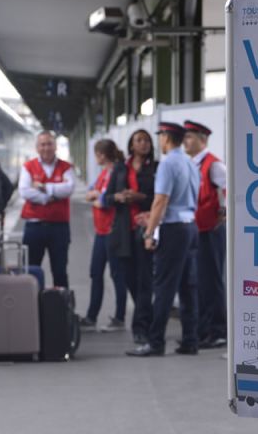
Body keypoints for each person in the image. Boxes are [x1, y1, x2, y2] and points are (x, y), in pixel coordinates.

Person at [126, 122, 200, 357]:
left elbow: (160, 201)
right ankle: (190, 340)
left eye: (160, 137)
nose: (158, 141)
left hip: (173, 230)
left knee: (164, 286)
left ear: (166, 138)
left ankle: (155, 342)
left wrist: (149, 231)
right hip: (190, 226)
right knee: (188, 287)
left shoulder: (168, 163)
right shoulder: (189, 161)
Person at [105, 129, 158, 344]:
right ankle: (146, 315)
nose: (143, 144)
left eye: (146, 140)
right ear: (131, 145)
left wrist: (140, 197)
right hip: (123, 232)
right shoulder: (120, 168)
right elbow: (107, 197)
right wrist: (118, 197)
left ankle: (140, 327)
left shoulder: (156, 168)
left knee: (144, 279)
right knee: (129, 278)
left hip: (145, 229)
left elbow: (160, 197)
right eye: (139, 140)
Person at [183, 120, 227, 349]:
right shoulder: (192, 164)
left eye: (190, 137)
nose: (185, 141)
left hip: (211, 231)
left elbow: (227, 192)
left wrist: (223, 214)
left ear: (203, 140)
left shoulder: (213, 165)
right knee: (199, 281)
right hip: (197, 229)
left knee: (212, 281)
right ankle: (203, 330)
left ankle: (218, 330)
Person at [80, 139, 128, 331]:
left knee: (117, 275)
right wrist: (98, 196)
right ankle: (92, 317)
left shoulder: (117, 171)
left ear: (101, 155)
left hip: (112, 231)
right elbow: (89, 194)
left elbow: (104, 200)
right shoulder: (103, 174)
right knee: (96, 272)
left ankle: (119, 317)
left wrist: (98, 197)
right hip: (101, 231)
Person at [19, 131, 75, 287]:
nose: (46, 148)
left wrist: (43, 187)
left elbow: (69, 188)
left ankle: (61, 309)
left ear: (55, 146)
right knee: (31, 269)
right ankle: (32, 307)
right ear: (37, 147)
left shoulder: (66, 167)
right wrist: (49, 197)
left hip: (59, 227)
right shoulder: (28, 167)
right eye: (42, 144)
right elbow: (24, 191)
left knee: (60, 271)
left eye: (49, 144)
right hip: (34, 227)